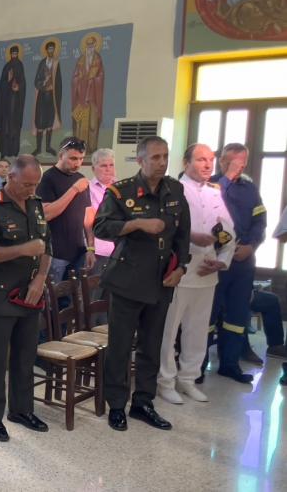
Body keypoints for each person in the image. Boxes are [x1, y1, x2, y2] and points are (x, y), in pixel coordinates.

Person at [94, 135, 190, 432]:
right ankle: (116, 405)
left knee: (152, 345)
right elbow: (100, 227)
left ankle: (143, 403)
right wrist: (135, 224)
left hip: (161, 281)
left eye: (165, 157)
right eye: (155, 157)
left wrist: (182, 267)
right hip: (127, 280)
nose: (162, 163)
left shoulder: (175, 189)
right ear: (140, 160)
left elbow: (183, 235)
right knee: (121, 346)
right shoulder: (121, 192)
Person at [0, 155, 51, 441]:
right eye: (27, 184)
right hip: (0, 296)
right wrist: (22, 249)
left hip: (30, 293)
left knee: (25, 356)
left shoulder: (35, 204)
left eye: (36, 184)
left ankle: (21, 409)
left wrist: (40, 279)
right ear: (11, 177)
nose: (32, 189)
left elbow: (46, 245)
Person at [157, 144, 235, 405]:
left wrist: (221, 261)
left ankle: (188, 378)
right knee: (169, 331)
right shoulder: (173, 189)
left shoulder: (214, 192)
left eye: (211, 160)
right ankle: (165, 381)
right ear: (186, 162)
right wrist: (192, 237)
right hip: (180, 270)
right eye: (201, 159)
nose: (207, 164)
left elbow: (228, 232)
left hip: (206, 271)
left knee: (198, 331)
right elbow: (166, 227)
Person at [207, 143, 267, 382]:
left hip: (243, 261)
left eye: (244, 163)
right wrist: (227, 179)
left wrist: (251, 245)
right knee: (209, 314)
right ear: (223, 161)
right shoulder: (210, 185)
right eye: (236, 163)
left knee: (237, 315)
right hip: (215, 259)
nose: (241, 167)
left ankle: (229, 364)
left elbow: (260, 221)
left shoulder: (250, 188)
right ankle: (197, 367)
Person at [37, 137, 95, 284]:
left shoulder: (81, 179)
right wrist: (74, 190)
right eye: (73, 158)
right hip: (56, 253)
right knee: (54, 295)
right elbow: (47, 214)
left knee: (76, 295)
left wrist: (91, 248)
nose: (78, 163)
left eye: (81, 159)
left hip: (79, 251)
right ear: (61, 155)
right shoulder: (48, 178)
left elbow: (88, 217)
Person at [71, 35, 105, 154]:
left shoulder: (97, 59)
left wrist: (93, 80)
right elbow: (75, 78)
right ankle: (79, 149)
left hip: (93, 98)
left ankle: (91, 148)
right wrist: (79, 80)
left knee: (92, 124)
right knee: (80, 124)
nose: (90, 48)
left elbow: (101, 77)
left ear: (95, 46)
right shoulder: (81, 60)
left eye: (92, 45)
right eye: (88, 45)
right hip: (81, 98)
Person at [88, 148, 117, 274]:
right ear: (93, 169)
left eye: (111, 165)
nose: (108, 169)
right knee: (96, 285)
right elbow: (89, 221)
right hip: (99, 249)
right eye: (103, 166)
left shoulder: (122, 187)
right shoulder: (87, 189)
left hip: (120, 250)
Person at [32, 40, 61, 156]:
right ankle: (38, 148)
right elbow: (36, 81)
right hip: (42, 96)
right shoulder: (42, 63)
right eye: (49, 49)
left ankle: (48, 147)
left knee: (50, 120)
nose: (51, 51)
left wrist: (54, 88)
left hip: (51, 96)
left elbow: (59, 82)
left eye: (52, 49)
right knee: (40, 120)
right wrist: (44, 82)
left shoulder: (56, 63)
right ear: (46, 50)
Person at [0, 45, 25, 158]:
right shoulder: (7, 67)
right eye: (13, 53)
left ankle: (14, 152)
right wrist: (8, 82)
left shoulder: (20, 66)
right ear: (10, 54)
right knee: (5, 129)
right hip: (6, 104)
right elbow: (2, 85)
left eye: (16, 53)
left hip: (16, 105)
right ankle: (4, 152)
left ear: (18, 54)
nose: (14, 55)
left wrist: (18, 87)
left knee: (14, 129)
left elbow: (23, 83)